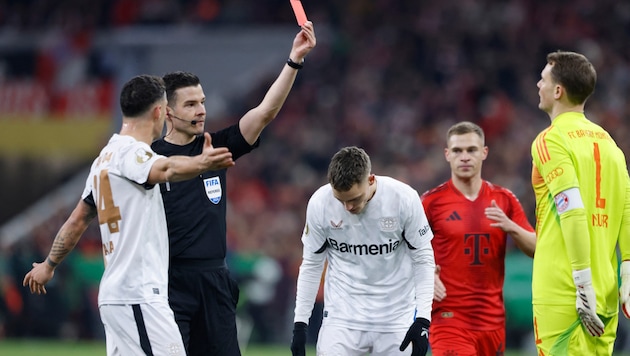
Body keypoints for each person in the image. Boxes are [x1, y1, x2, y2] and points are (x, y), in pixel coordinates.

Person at [22, 74, 235, 356]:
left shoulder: (104, 159)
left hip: (117, 296)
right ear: (160, 111)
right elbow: (166, 170)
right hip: (139, 295)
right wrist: (201, 162)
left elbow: (77, 220)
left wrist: (49, 264)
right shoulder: (133, 154)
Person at [150, 21, 316, 355]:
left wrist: (294, 60)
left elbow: (265, 112)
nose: (201, 111)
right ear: (168, 112)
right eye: (191, 104)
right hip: (168, 283)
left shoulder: (218, 145)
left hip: (215, 279)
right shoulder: (149, 159)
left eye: (202, 101)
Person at [290, 146, 435, 356]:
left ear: (371, 180)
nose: (348, 207)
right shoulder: (320, 203)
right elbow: (312, 265)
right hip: (342, 319)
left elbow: (423, 259)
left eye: (354, 199)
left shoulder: (403, 199)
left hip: (395, 319)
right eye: (341, 200)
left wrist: (422, 319)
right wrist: (300, 324)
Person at [531, 50, 630, 355]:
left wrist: (581, 285)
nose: (538, 84)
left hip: (566, 292)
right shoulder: (610, 144)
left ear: (558, 90)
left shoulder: (550, 140)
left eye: (543, 79)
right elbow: (626, 210)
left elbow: (571, 209)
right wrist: (627, 270)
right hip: (608, 293)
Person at [420, 121, 536, 355]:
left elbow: (536, 249)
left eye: (471, 150)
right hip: (448, 318)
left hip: (492, 322)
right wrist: (426, 275)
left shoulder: (504, 199)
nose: (464, 157)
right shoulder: (431, 203)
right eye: (457, 151)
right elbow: (405, 250)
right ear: (447, 155)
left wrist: (511, 227)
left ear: (484, 153)